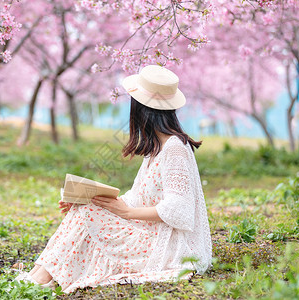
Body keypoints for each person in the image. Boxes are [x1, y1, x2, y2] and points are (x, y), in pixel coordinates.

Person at [14, 65, 212, 293]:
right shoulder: (158, 149)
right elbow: (137, 197)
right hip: (152, 234)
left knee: (88, 212)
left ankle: (39, 280)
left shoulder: (175, 148)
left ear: (142, 109)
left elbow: (179, 208)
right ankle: (40, 275)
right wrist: (90, 199)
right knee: (86, 208)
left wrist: (125, 213)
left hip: (167, 247)